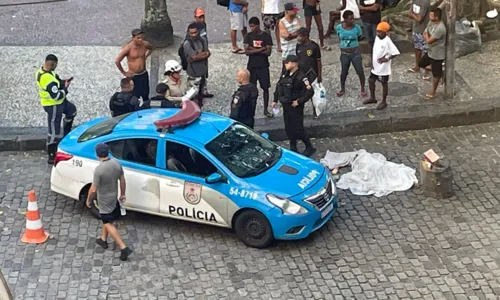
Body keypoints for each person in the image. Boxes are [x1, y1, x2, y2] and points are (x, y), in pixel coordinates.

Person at [86, 143, 133, 262]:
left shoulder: (99, 170)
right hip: (114, 197)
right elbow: (122, 180)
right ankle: (103, 239)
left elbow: (93, 189)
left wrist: (88, 200)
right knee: (107, 218)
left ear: (97, 154)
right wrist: (123, 194)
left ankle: (123, 247)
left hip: (104, 199)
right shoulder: (116, 163)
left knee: (107, 222)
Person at [35, 54, 77, 164]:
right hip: (52, 105)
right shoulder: (47, 79)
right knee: (54, 129)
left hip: (60, 103)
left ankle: (66, 134)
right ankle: (52, 153)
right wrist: (66, 89)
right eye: (56, 65)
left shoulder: (45, 71)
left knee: (72, 111)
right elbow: (56, 95)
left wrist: (63, 82)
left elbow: (57, 82)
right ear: (52, 64)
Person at [272, 55, 316, 157]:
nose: (286, 64)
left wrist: (299, 101)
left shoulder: (302, 77)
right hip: (286, 105)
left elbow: (310, 91)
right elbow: (279, 86)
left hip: (295, 107)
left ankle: (309, 147)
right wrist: (275, 99)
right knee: (289, 127)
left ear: (294, 63)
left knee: (298, 128)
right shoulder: (285, 73)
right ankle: (293, 147)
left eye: (288, 62)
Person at [364, 22, 400, 110]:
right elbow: (375, 50)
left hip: (383, 67)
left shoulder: (387, 41)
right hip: (375, 65)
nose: (377, 34)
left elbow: (395, 52)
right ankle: (373, 98)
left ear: (386, 33)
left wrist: (387, 58)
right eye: (377, 31)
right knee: (371, 80)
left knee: (384, 83)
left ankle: (384, 101)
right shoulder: (377, 38)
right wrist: (372, 62)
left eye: (380, 32)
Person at [244, 17, 273, 117]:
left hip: (263, 66)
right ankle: (251, 109)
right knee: (251, 89)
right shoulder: (248, 36)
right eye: (250, 26)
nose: (252, 28)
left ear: (258, 25)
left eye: (253, 26)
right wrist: (261, 49)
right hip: (252, 66)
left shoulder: (266, 36)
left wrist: (253, 49)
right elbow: (247, 52)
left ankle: (266, 109)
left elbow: (268, 52)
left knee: (265, 88)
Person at [115, 29, 154, 102]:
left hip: (143, 73)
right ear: (133, 38)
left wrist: (145, 56)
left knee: (145, 93)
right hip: (134, 75)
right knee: (134, 96)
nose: (140, 40)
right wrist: (124, 72)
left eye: (142, 37)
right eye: (138, 38)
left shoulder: (145, 44)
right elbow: (117, 61)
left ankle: (146, 107)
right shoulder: (128, 48)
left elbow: (151, 48)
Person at [336, 10, 366, 98]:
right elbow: (339, 38)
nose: (352, 20)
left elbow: (359, 37)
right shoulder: (339, 27)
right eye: (350, 19)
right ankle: (342, 88)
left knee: (360, 71)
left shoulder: (357, 28)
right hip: (344, 54)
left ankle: (363, 88)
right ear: (344, 19)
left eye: (353, 18)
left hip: (355, 53)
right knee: (344, 72)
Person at [419, 8, 446, 99]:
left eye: (431, 16)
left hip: (437, 54)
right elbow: (425, 32)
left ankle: (433, 91)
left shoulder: (440, 28)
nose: (429, 17)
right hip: (430, 51)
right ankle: (439, 72)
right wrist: (427, 37)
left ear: (437, 17)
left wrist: (427, 38)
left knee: (435, 76)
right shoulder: (431, 23)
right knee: (421, 64)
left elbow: (429, 40)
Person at [296, 27, 322, 119]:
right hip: (301, 74)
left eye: (299, 36)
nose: (298, 38)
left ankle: (315, 111)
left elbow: (318, 61)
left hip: (312, 74)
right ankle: (299, 112)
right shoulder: (298, 46)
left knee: (313, 94)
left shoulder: (314, 46)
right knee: (301, 93)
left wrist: (319, 75)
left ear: (305, 36)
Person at [184, 23, 211, 107]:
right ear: (188, 33)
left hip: (203, 69)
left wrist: (199, 55)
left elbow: (208, 53)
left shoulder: (203, 40)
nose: (194, 35)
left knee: (202, 86)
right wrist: (201, 55)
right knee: (193, 92)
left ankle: (201, 98)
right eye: (191, 33)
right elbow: (194, 57)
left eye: (195, 32)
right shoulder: (187, 44)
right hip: (193, 72)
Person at [192, 7, 214, 98]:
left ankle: (203, 90)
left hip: (204, 52)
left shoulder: (204, 25)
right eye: (199, 17)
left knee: (204, 73)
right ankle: (195, 93)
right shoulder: (193, 28)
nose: (202, 19)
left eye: (203, 16)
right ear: (195, 17)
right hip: (197, 54)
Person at [408, 0, 431, 79]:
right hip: (416, 29)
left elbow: (419, 19)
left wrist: (412, 15)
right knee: (417, 49)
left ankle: (426, 71)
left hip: (424, 30)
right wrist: (414, 15)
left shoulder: (425, 2)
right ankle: (417, 67)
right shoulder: (414, 0)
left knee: (425, 51)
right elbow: (410, 13)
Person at [359, 0, 382, 67]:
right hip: (365, 21)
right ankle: (372, 59)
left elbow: (375, 8)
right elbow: (360, 9)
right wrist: (371, 8)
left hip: (375, 22)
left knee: (377, 41)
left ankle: (378, 58)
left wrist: (365, 9)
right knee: (369, 41)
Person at [279, 3, 301, 73]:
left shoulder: (296, 18)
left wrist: (292, 35)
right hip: (287, 50)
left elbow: (300, 31)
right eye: (293, 10)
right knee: (286, 70)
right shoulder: (282, 22)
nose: (295, 12)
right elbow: (286, 36)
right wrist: (296, 34)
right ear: (287, 11)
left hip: (296, 48)